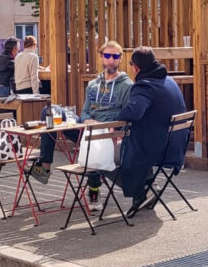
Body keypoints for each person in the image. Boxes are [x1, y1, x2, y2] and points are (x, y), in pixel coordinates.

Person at [28, 40, 132, 212]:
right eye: (107, 55)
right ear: (101, 57)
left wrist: (109, 126)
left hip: (108, 132)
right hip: (87, 128)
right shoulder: (93, 85)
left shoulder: (127, 86)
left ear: (120, 59)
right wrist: (86, 121)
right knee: (51, 110)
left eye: (115, 56)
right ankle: (45, 165)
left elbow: (126, 114)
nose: (111, 60)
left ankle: (94, 192)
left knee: (93, 143)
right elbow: (84, 112)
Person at [118, 47, 188, 218]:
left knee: (114, 155)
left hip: (160, 149)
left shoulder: (145, 86)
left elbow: (132, 113)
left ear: (136, 68)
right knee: (133, 141)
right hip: (176, 145)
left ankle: (141, 192)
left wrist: (114, 117)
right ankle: (148, 187)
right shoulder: (169, 80)